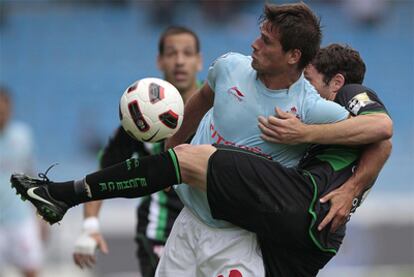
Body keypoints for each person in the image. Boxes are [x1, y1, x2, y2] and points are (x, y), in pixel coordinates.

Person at [10, 3, 392, 276]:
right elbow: (203, 97)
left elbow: (380, 134)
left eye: (266, 41)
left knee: (197, 160)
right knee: (188, 159)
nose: (255, 45)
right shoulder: (230, 66)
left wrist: (307, 136)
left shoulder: (311, 107)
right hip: (189, 220)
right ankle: (63, 196)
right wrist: (175, 140)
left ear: (293, 56)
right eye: (259, 35)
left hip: (236, 233)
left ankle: (65, 195)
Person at [72, 26, 203, 277]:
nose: (179, 61)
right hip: (159, 231)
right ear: (159, 60)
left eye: (187, 53)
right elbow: (103, 172)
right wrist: (90, 225)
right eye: (171, 53)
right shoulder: (140, 114)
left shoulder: (218, 107)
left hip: (209, 230)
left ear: (199, 61)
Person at [0, 86, 44, 277]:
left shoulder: (22, 136)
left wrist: (41, 214)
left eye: (4, 108)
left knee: (31, 270)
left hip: (20, 218)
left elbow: (31, 176)